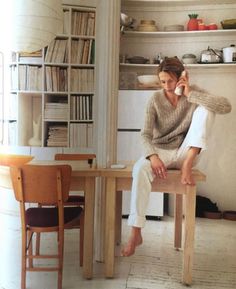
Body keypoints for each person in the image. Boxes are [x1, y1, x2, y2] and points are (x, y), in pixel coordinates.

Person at [121, 57, 232, 257]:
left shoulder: (192, 91)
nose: (167, 86)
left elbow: (225, 107)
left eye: (170, 81)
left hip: (185, 152)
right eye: (162, 82)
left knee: (207, 109)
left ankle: (187, 166)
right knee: (139, 169)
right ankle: (136, 232)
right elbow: (145, 134)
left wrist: (190, 93)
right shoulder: (155, 99)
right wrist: (152, 156)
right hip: (161, 151)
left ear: (181, 77)